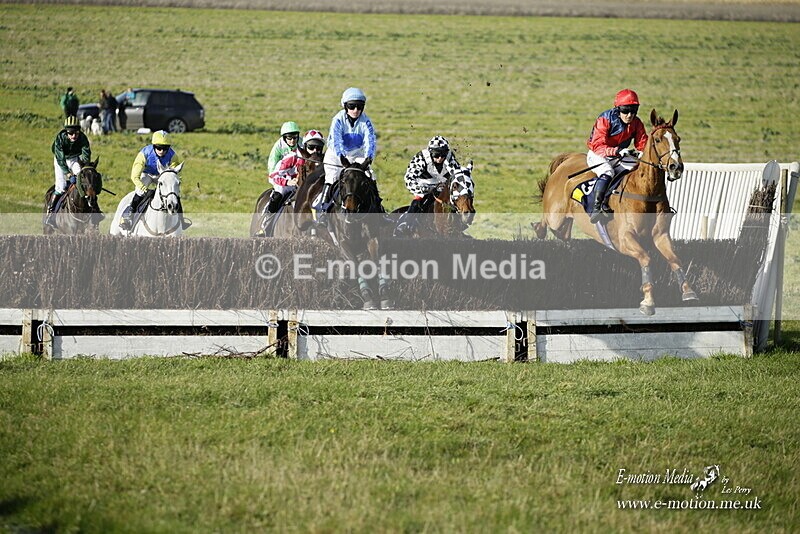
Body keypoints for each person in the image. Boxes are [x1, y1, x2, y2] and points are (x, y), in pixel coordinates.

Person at [317, 87, 381, 226]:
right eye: (352, 106)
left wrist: (369, 157)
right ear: (345, 106)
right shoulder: (338, 119)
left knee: (371, 175)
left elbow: (370, 140)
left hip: (356, 154)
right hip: (336, 155)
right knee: (332, 178)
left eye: (359, 106)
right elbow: (336, 140)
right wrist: (341, 156)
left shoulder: (366, 121)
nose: (356, 110)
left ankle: (379, 210)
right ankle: (323, 210)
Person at [586, 88, 648, 223]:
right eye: (625, 110)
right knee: (608, 172)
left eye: (633, 110)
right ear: (618, 109)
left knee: (636, 168)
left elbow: (642, 143)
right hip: (598, 154)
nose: (629, 115)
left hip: (619, 155)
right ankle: (597, 207)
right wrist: (617, 151)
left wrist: (643, 152)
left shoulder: (637, 123)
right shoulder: (605, 119)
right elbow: (598, 145)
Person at [255, 130, 326, 237]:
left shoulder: (324, 160)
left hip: (311, 189)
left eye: (319, 148)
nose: (315, 151)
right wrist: (288, 181)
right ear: (305, 146)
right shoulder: (293, 157)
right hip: (289, 185)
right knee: (278, 194)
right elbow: (273, 175)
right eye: (311, 147)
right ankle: (265, 226)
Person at [394, 135, 467, 236]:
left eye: (443, 155)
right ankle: (406, 223)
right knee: (419, 198)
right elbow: (409, 178)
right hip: (424, 186)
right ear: (430, 153)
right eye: (436, 155)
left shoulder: (450, 158)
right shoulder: (421, 158)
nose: (440, 158)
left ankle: (460, 224)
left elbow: (457, 176)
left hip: (442, 186)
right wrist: (423, 189)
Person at [119, 130, 187, 231]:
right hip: (147, 174)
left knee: (173, 193)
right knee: (139, 192)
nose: (162, 151)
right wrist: (143, 188)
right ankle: (128, 216)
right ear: (154, 146)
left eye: (165, 148)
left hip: (162, 175)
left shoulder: (173, 155)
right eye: (159, 148)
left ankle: (181, 219)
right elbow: (134, 176)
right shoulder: (144, 154)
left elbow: (173, 172)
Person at [46, 116, 91, 228]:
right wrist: (69, 174)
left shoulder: (83, 138)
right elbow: (61, 160)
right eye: (71, 133)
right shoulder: (60, 138)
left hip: (74, 159)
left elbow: (86, 154)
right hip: (60, 160)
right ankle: (50, 213)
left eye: (76, 132)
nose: (74, 135)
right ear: (66, 132)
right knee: (61, 186)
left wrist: (85, 167)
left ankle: (91, 209)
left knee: (83, 182)